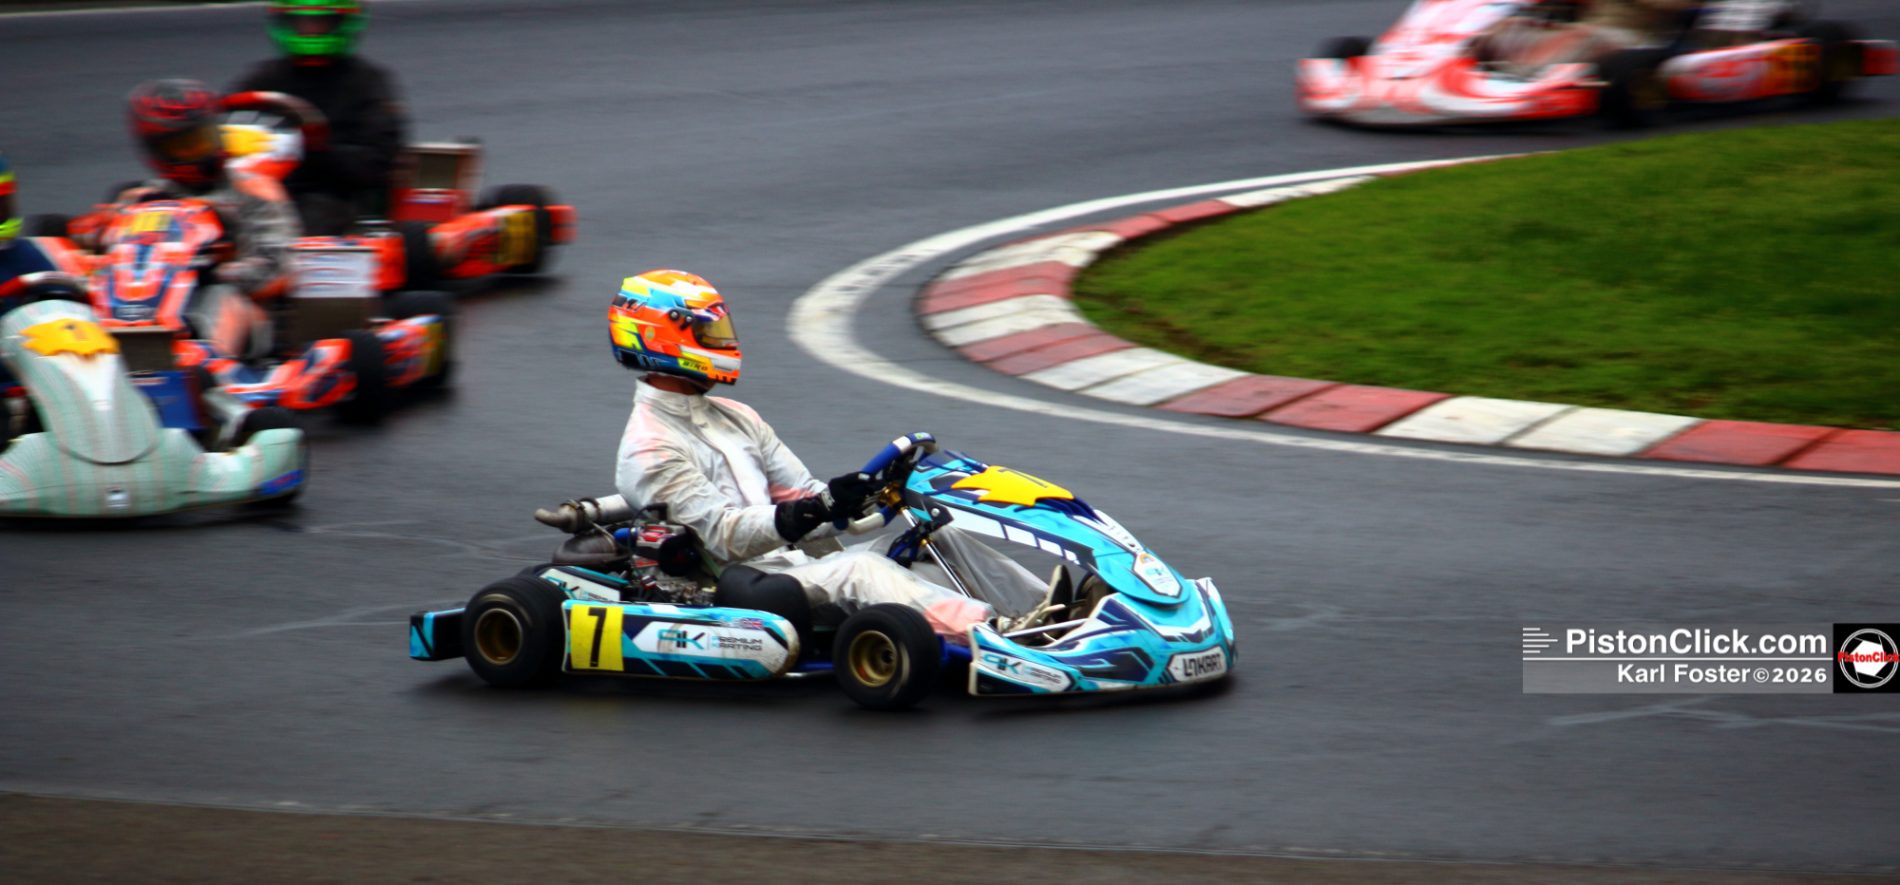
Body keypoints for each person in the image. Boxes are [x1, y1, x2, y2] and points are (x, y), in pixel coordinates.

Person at [609, 269, 995, 636]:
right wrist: (815, 509)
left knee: (939, 538)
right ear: (658, 338)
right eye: (709, 332)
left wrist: (858, 498)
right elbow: (725, 535)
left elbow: (805, 495)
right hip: (741, 588)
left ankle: (1044, 612)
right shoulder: (650, 447)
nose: (724, 342)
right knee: (863, 568)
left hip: (802, 566)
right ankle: (994, 636)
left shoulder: (738, 418)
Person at [231, 0, 406, 235]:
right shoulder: (262, 79)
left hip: (335, 194)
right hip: (262, 188)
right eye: (302, 23)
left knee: (310, 215)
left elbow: (376, 163)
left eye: (319, 22)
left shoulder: (367, 83)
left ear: (344, 23)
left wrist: (318, 149)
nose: (310, 30)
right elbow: (225, 124)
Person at [122, 79, 301, 301]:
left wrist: (212, 273)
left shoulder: (255, 190)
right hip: (148, 302)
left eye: (203, 140)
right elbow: (106, 254)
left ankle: (199, 335)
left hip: (243, 303)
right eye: (183, 146)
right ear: (156, 151)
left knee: (220, 297)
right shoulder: (143, 200)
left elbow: (280, 268)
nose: (198, 151)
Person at [1486, 0, 1703, 74]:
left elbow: (1684, 5)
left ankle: (1520, 76)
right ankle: (1482, 72)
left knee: (1578, 35)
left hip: (1636, 39)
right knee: (1507, 26)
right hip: (1591, 29)